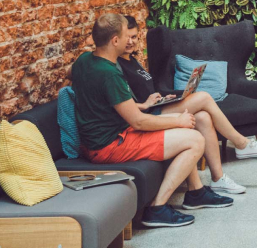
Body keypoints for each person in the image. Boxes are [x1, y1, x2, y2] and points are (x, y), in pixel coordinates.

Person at [71, 13, 232, 228]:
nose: (130, 40)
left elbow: (81, 82)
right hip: (110, 146)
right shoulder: (109, 74)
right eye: (125, 35)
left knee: (186, 124)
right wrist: (178, 122)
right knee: (195, 140)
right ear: (115, 41)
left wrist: (144, 107)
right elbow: (138, 122)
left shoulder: (83, 61)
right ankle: (157, 208)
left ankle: (196, 192)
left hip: (104, 138)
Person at [117, 16, 257, 195]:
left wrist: (163, 97)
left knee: (203, 117)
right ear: (117, 38)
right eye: (127, 37)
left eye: (134, 37)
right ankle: (241, 143)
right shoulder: (117, 66)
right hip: (149, 115)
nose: (130, 42)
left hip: (157, 106)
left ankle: (218, 179)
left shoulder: (133, 61)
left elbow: (145, 91)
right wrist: (144, 105)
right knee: (204, 98)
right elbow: (123, 106)